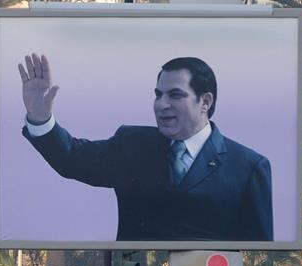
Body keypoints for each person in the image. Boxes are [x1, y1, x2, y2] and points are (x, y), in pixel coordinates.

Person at [19, 54, 273, 241]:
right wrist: (39, 117)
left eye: (175, 95)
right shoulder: (132, 145)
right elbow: (72, 158)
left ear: (205, 101)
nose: (161, 105)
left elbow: (260, 253)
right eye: (157, 94)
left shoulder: (248, 167)